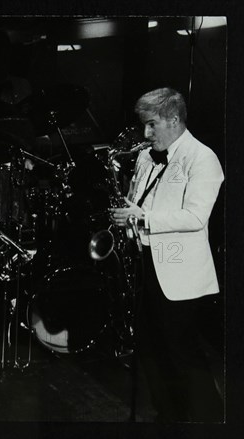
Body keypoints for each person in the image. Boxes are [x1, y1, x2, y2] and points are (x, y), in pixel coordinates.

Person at [110, 87, 224, 422]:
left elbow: (194, 217)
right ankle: (170, 416)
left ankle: (210, 420)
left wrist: (141, 218)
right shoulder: (147, 156)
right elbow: (140, 201)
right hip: (147, 266)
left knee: (181, 353)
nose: (145, 135)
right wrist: (128, 215)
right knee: (150, 350)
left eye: (151, 125)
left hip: (179, 272)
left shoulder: (202, 157)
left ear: (174, 120)